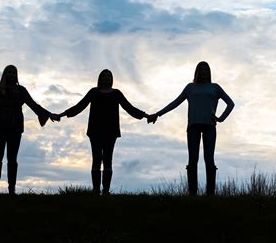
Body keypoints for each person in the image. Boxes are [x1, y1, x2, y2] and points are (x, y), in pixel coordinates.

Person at [147, 61, 234, 196]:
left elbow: (230, 103)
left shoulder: (215, 87)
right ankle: (192, 193)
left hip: (210, 127)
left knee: (209, 159)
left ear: (209, 72)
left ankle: (210, 194)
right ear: (197, 72)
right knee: (193, 160)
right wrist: (158, 114)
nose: (204, 72)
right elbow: (175, 102)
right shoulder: (190, 88)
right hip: (193, 126)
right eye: (201, 69)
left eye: (206, 69)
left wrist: (221, 118)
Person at [58, 69, 148, 195]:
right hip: (95, 131)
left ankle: (105, 191)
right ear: (100, 78)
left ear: (112, 79)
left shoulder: (116, 93)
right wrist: (61, 115)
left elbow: (129, 108)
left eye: (109, 75)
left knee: (107, 160)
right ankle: (96, 190)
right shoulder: (93, 92)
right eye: (104, 75)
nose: (106, 77)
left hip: (111, 132)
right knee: (96, 159)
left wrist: (146, 115)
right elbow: (79, 106)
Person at [0, 65, 60, 195]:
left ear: (16, 75)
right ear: (4, 74)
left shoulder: (21, 90)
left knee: (12, 158)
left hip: (15, 127)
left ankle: (12, 189)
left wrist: (49, 114)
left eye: (13, 72)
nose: (11, 74)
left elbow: (33, 105)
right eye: (9, 72)